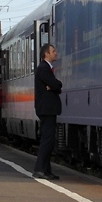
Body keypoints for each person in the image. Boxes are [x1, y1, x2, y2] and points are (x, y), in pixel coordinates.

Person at [33, 43, 62, 180]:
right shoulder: (43, 69)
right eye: (53, 51)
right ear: (46, 54)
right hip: (47, 109)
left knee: (49, 140)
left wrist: (55, 85)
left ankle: (46, 170)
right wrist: (56, 85)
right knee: (47, 140)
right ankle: (39, 169)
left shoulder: (46, 68)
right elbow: (56, 84)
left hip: (48, 109)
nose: (56, 53)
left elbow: (56, 85)